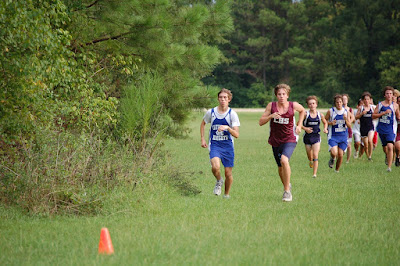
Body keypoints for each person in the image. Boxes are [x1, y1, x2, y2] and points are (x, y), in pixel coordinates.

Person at [259, 84, 305, 202]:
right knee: (280, 167)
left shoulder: (293, 105)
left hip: (290, 138)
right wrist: (271, 116)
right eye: (279, 94)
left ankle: (287, 192)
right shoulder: (271, 106)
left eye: (284, 94)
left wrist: (299, 125)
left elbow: (302, 110)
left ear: (288, 95)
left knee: (284, 160)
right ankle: (287, 184)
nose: (281, 96)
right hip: (275, 140)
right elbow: (260, 122)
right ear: (276, 95)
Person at [200, 88, 240, 198]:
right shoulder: (211, 112)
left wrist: (228, 128)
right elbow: (203, 124)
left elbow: (236, 135)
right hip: (215, 145)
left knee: (228, 173)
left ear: (229, 99)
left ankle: (226, 195)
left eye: (225, 98)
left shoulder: (232, 114)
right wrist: (203, 138)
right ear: (218, 99)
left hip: (227, 146)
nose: (223, 99)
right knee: (215, 167)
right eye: (221, 97)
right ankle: (219, 181)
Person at [372, 86, 400, 172]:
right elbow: (373, 116)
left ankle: (389, 167)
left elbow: (398, 116)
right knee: (385, 148)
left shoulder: (395, 105)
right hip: (381, 129)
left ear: (393, 95)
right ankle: (387, 156)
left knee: (390, 146)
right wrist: (383, 113)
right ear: (384, 95)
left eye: (390, 94)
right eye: (387, 93)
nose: (389, 95)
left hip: (391, 130)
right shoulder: (380, 105)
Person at [301, 96, 328, 178]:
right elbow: (299, 124)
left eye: (313, 103)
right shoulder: (306, 114)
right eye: (310, 104)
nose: (312, 105)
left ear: (316, 104)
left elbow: (325, 123)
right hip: (307, 137)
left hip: (316, 137)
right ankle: (310, 160)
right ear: (308, 105)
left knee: (315, 155)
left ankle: (314, 174)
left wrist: (325, 129)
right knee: (310, 156)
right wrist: (305, 128)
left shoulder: (320, 115)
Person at [325, 94, 352, 172]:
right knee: (334, 152)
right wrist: (330, 123)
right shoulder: (331, 111)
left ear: (342, 102)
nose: (339, 103)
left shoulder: (346, 112)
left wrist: (346, 119)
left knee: (340, 155)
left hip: (343, 136)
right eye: (337, 102)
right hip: (333, 136)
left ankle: (336, 170)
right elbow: (325, 121)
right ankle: (332, 158)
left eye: (340, 102)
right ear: (335, 103)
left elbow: (350, 126)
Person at [355, 92, 375, 161]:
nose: (366, 101)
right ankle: (368, 157)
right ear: (363, 100)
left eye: (368, 99)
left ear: (370, 100)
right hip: (363, 128)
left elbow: (376, 116)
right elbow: (356, 117)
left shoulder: (372, 108)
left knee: (370, 140)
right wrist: (361, 114)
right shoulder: (361, 108)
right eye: (365, 99)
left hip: (370, 127)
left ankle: (370, 156)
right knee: (365, 145)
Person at [342, 94, 354, 163]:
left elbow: (353, 117)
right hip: (340, 129)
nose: (344, 101)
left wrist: (349, 122)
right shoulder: (339, 109)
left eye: (345, 99)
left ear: (347, 100)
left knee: (349, 145)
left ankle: (347, 160)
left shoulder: (349, 109)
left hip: (348, 129)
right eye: (343, 99)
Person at [395, 95, 400, 167]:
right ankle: (397, 157)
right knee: (397, 147)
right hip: (397, 131)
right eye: (398, 101)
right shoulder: (394, 110)